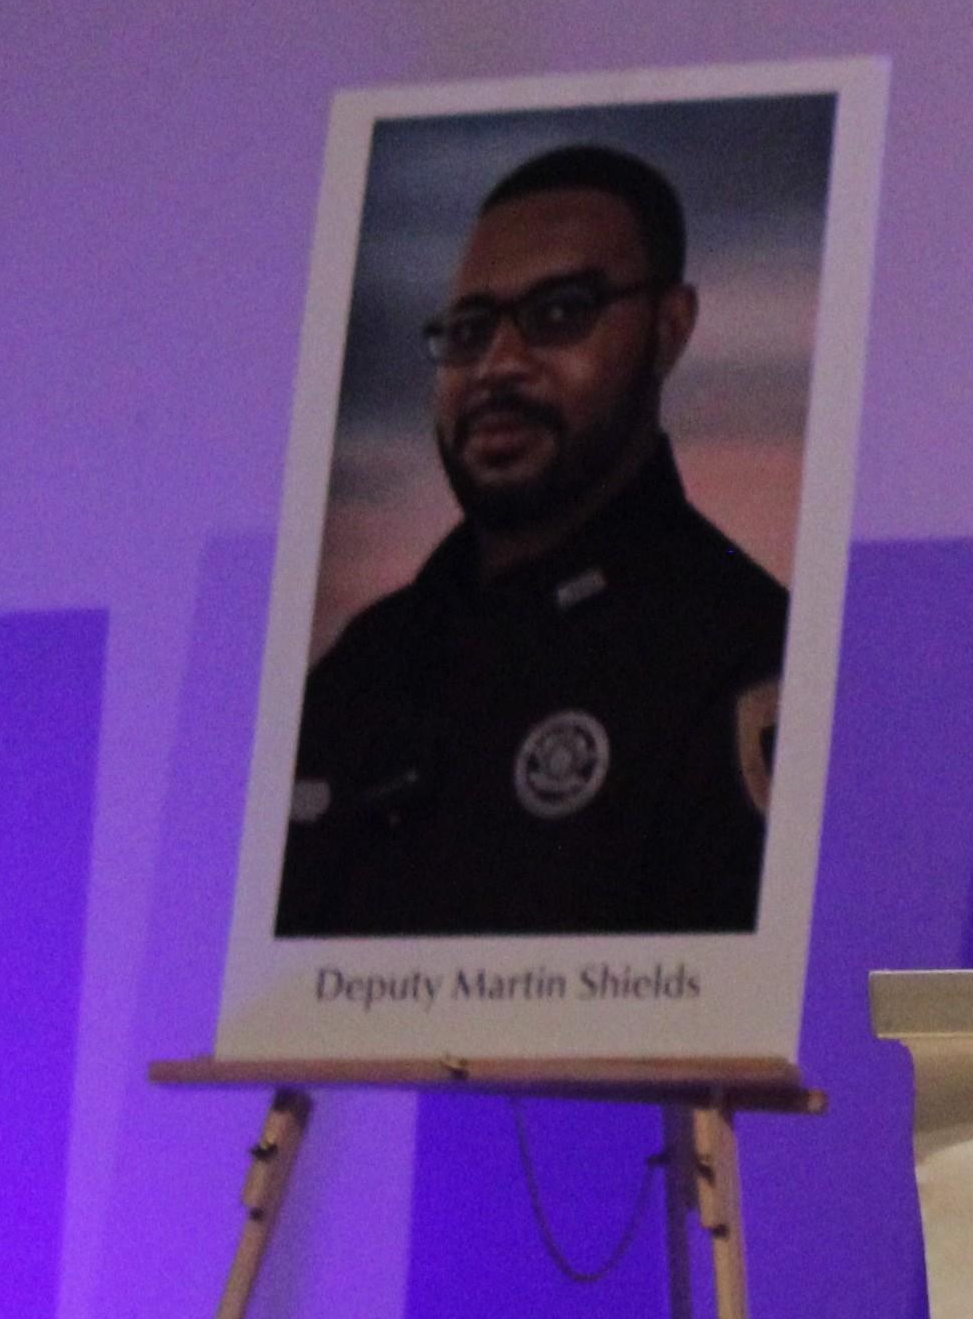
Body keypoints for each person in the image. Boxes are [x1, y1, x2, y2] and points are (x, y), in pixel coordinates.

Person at [276, 141, 791, 938]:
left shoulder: (739, 650)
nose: (499, 365)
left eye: (560, 314)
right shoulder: (364, 667)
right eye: (470, 329)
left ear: (669, 327)